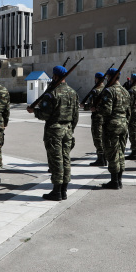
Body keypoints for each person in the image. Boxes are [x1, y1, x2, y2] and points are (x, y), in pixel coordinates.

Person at [31, 65, 79, 200]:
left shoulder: (52, 93)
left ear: (56, 76)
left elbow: (44, 114)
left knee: (56, 161)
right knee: (66, 159)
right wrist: (71, 129)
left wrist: (34, 111)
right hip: (68, 130)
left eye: (53, 76)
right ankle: (64, 190)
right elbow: (75, 116)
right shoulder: (73, 92)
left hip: (54, 131)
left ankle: (57, 191)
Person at [97, 68, 130, 190]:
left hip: (112, 125)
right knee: (121, 152)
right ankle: (119, 180)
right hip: (123, 124)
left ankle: (114, 181)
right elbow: (128, 111)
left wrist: (97, 108)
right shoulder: (125, 91)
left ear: (110, 77)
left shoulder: (109, 91)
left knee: (112, 153)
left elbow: (107, 111)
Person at [85, 72, 107, 167]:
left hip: (97, 118)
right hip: (105, 117)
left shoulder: (96, 91)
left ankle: (101, 159)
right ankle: (104, 157)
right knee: (104, 137)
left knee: (97, 138)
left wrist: (85, 106)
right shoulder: (107, 90)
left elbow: (90, 105)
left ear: (97, 79)